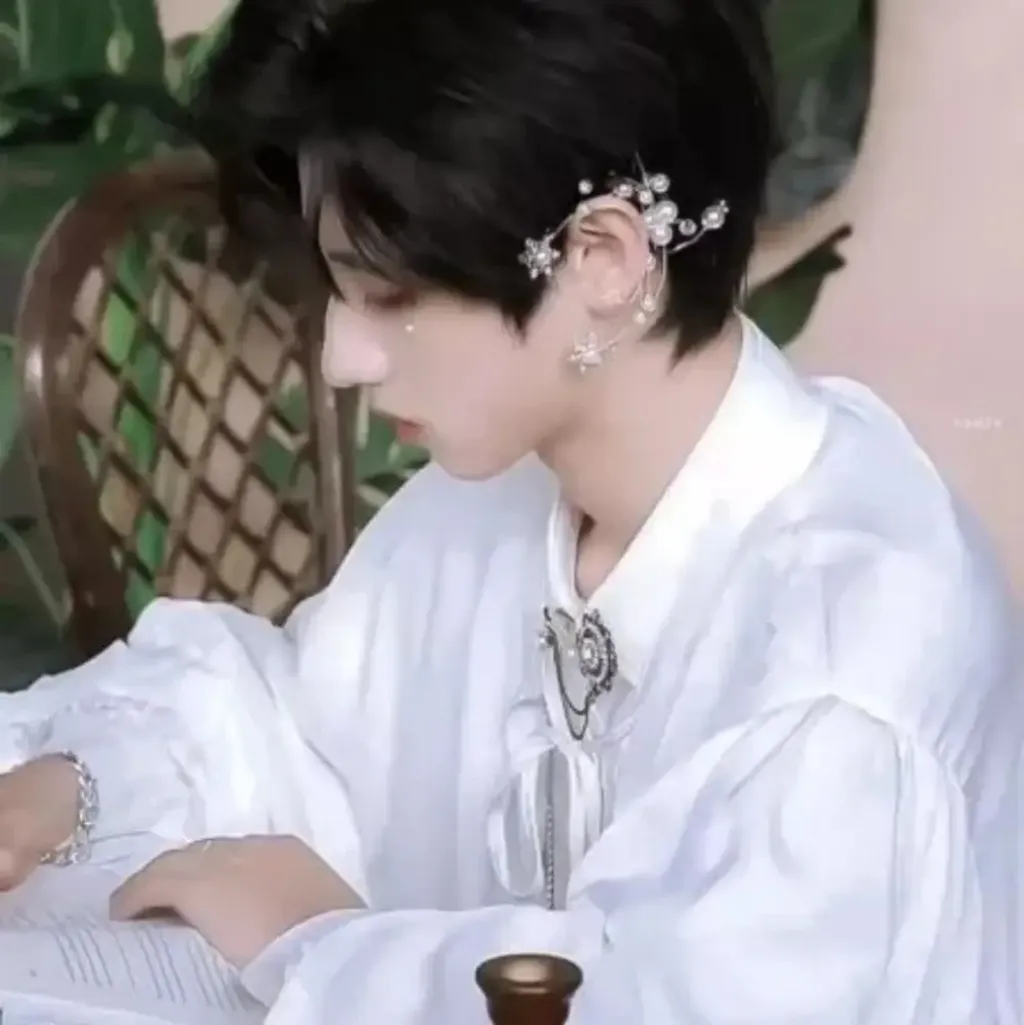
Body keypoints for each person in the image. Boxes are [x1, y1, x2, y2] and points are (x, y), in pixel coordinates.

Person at [0, 0, 1021, 1021]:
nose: (341, 357)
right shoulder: (488, 506)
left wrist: (319, 940)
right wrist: (75, 784)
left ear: (604, 258)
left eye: (389, 295)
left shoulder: (846, 666)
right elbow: (308, 725)